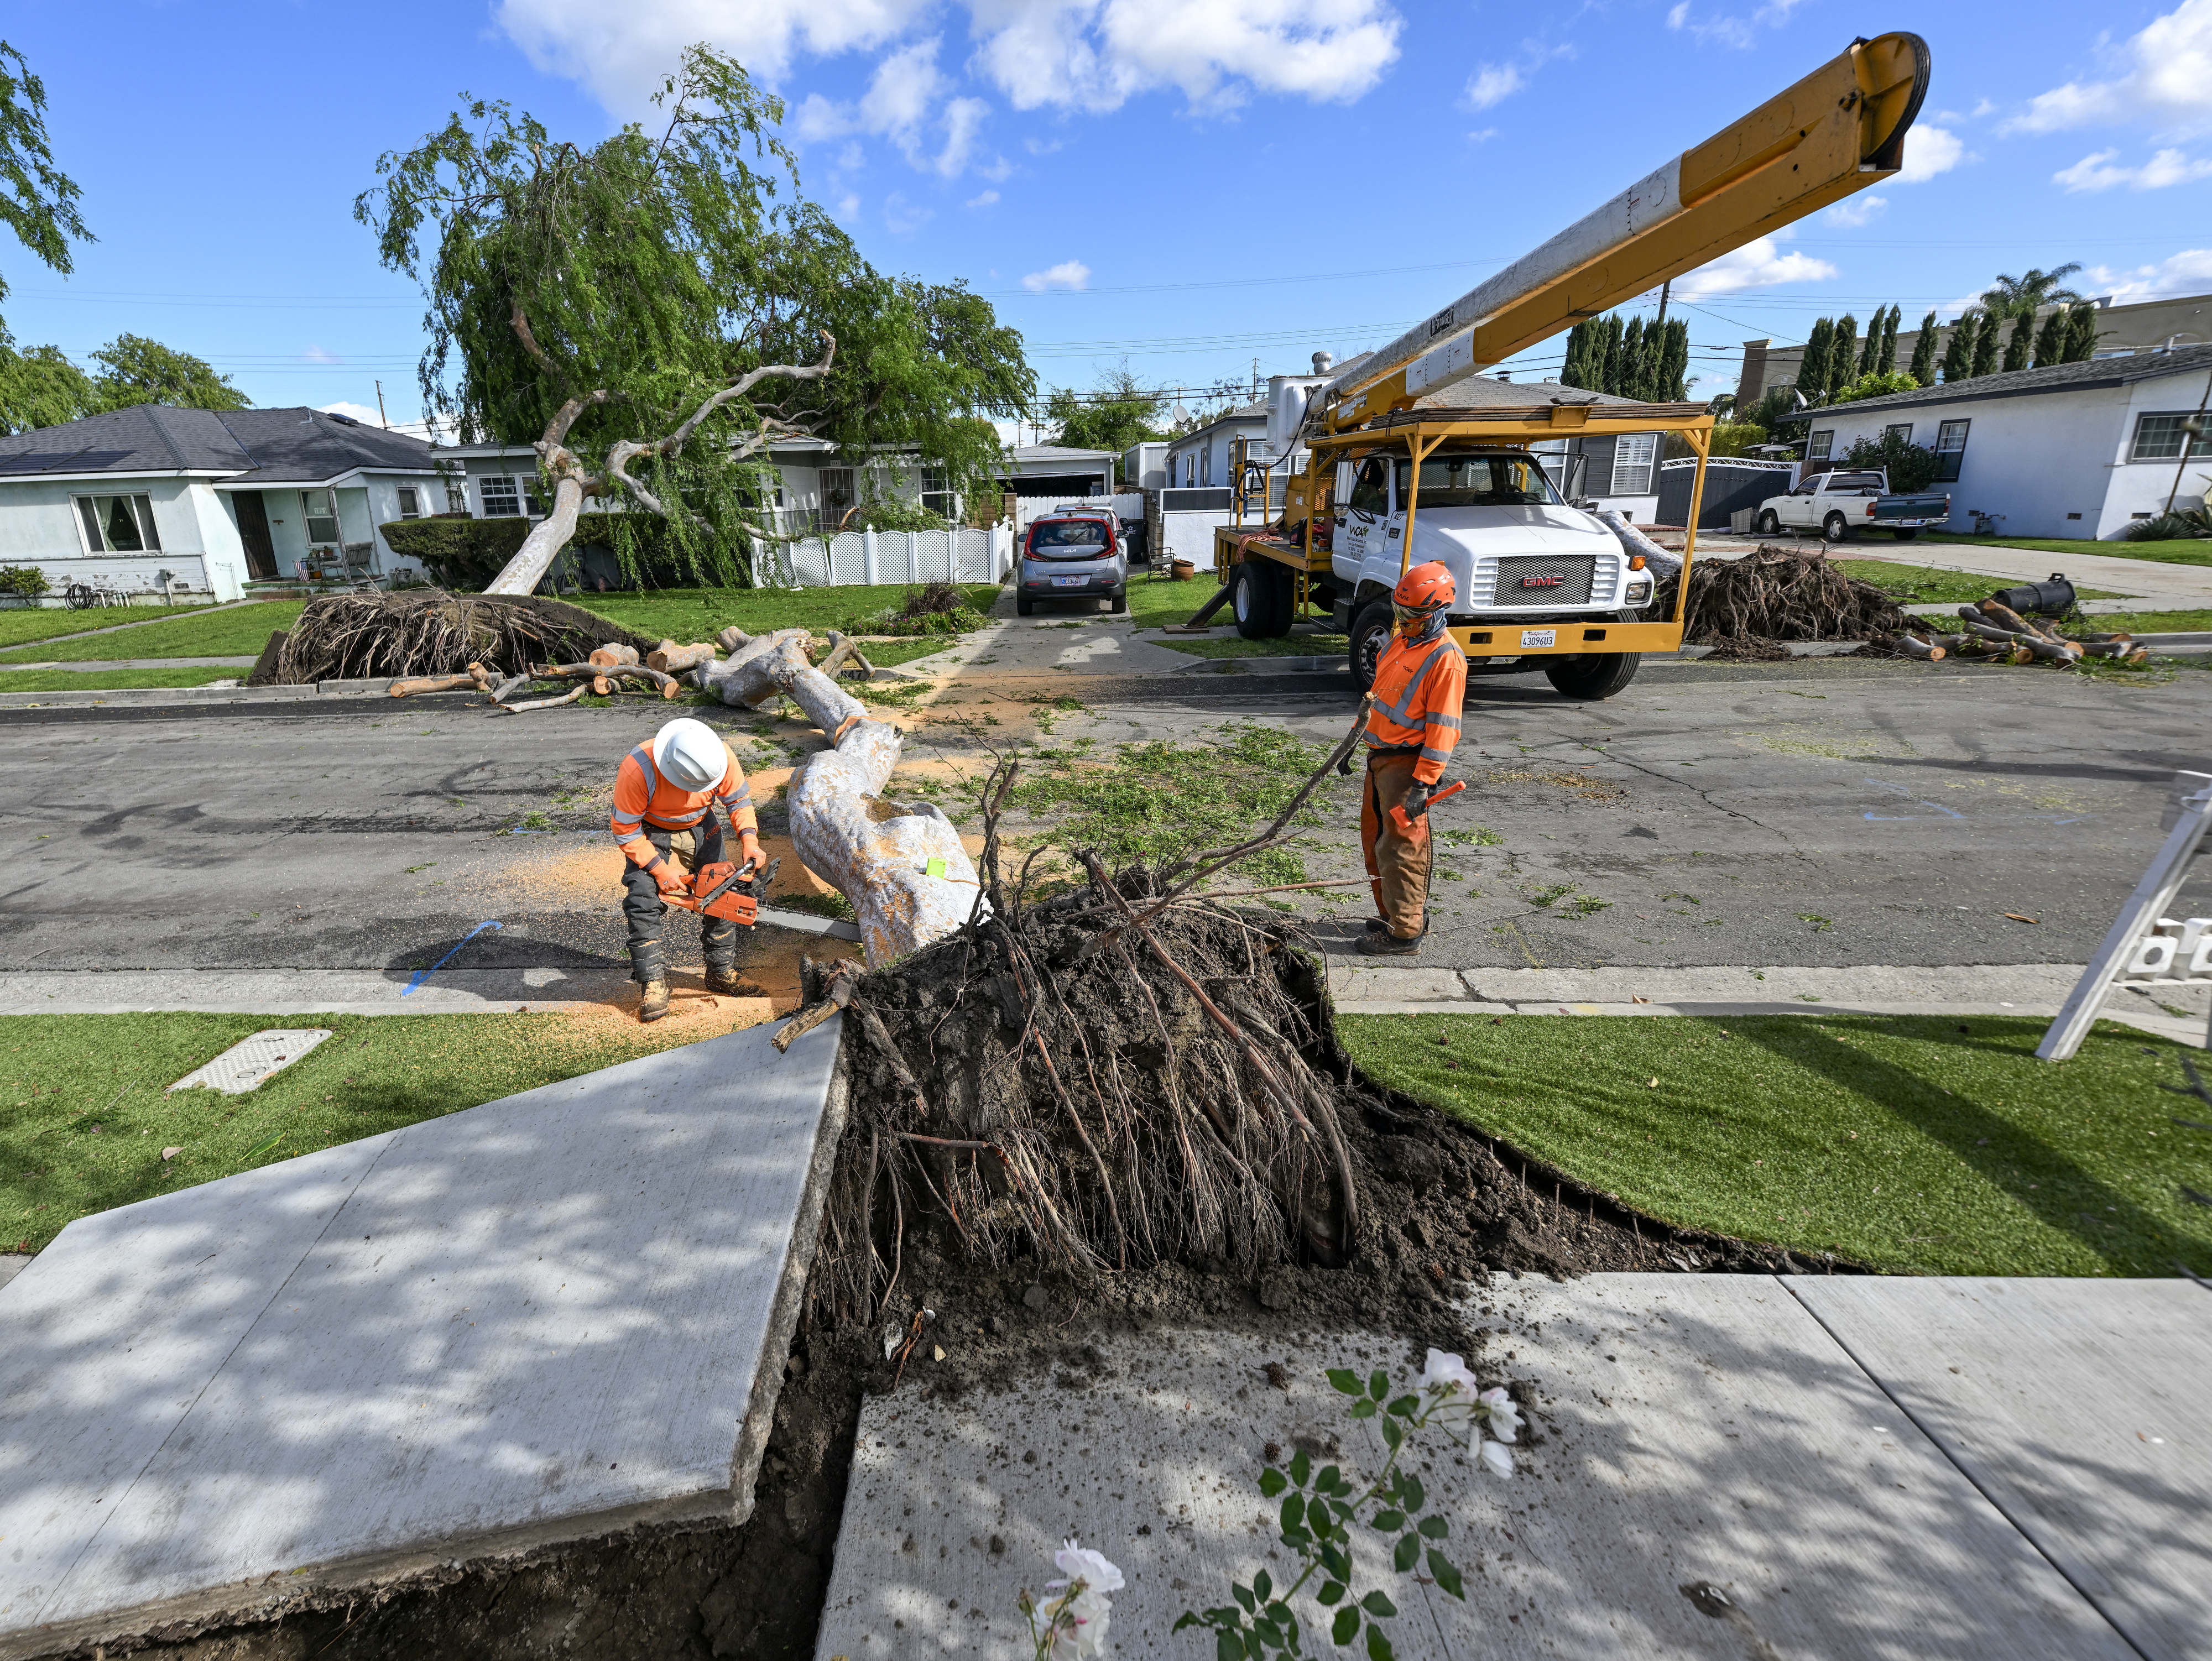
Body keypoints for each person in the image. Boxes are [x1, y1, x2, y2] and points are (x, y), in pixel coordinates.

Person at [611, 717, 763, 1021]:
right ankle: (652, 982)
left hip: (701, 823)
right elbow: (625, 829)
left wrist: (750, 839)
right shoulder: (638, 769)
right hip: (650, 830)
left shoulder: (719, 757)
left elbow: (738, 801)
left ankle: (721, 972)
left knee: (723, 891)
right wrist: (659, 869)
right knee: (643, 901)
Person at [1359, 561, 1467, 955]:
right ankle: (1394, 912)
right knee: (1376, 840)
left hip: (1407, 766)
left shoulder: (1446, 659)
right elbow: (1383, 698)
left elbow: (1444, 726)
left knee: (1402, 848)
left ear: (1439, 612)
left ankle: (1405, 932)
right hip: (1381, 758)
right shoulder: (1403, 642)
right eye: (1400, 613)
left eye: (1414, 618)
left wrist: (1424, 782)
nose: (1404, 623)